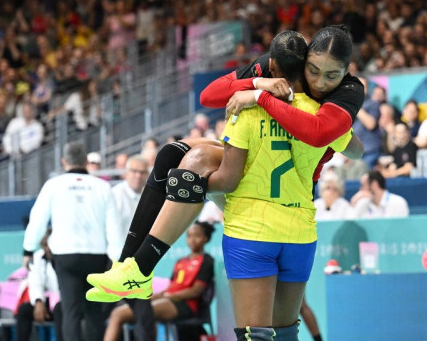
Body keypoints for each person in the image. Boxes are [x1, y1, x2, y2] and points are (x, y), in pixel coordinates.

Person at [87, 28, 363, 311]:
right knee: (172, 154)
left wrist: (258, 97)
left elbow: (322, 135)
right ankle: (129, 265)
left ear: (347, 71)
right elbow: (208, 96)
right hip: (261, 174)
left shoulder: (349, 91)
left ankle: (141, 267)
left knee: (195, 165)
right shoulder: (281, 61)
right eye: (313, 70)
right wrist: (258, 84)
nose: (319, 82)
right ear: (301, 59)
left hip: (287, 190)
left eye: (332, 76)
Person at [22, 142, 123, 341]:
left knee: (71, 312)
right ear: (86, 161)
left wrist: (28, 250)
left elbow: (38, 219)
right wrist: (116, 260)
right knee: (94, 312)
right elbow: (115, 227)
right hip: (97, 256)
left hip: (65, 256)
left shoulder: (54, 185)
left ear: (63, 161)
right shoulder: (103, 187)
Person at [103, 221, 214, 341]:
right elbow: (172, 286)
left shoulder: (207, 261)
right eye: (189, 236)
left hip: (186, 305)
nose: (192, 240)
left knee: (124, 313)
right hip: (169, 300)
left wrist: (168, 296)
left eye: (197, 236)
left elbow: (196, 291)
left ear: (206, 238)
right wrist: (159, 295)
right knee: (133, 307)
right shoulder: (180, 261)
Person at [16, 236, 63, 341]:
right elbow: (35, 283)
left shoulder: (66, 256)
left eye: (49, 244)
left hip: (69, 303)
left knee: (59, 309)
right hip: (50, 304)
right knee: (24, 310)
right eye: (44, 245)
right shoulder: (38, 257)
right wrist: (38, 302)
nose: (47, 248)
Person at [110, 155, 150, 238]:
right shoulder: (115, 195)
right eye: (134, 171)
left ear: (148, 175)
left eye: (142, 172)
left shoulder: (150, 197)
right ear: (126, 173)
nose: (138, 175)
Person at [353, 77, 382, 168]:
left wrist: (355, 106)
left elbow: (371, 124)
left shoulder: (373, 104)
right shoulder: (348, 105)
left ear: (368, 88)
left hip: (370, 152)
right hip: (353, 152)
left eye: (363, 86)